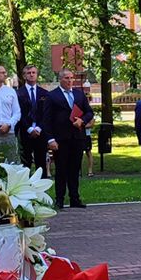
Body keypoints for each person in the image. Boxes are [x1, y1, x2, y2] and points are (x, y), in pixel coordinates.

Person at [45, 68, 95, 209]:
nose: (69, 80)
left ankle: (75, 198)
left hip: (77, 138)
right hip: (60, 139)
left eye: (71, 78)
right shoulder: (52, 96)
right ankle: (59, 199)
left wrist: (82, 121)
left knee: (74, 169)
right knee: (61, 170)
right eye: (66, 78)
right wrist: (50, 139)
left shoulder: (79, 95)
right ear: (60, 79)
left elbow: (89, 112)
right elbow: (46, 120)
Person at [16, 64, 48, 174]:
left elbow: (46, 114)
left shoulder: (44, 93)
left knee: (41, 162)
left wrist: (39, 128)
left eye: (33, 72)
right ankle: (25, 187)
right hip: (25, 131)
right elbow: (19, 113)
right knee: (26, 163)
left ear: (37, 75)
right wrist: (29, 128)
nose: (31, 75)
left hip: (41, 132)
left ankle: (42, 185)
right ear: (24, 76)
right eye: (28, 73)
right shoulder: (18, 94)